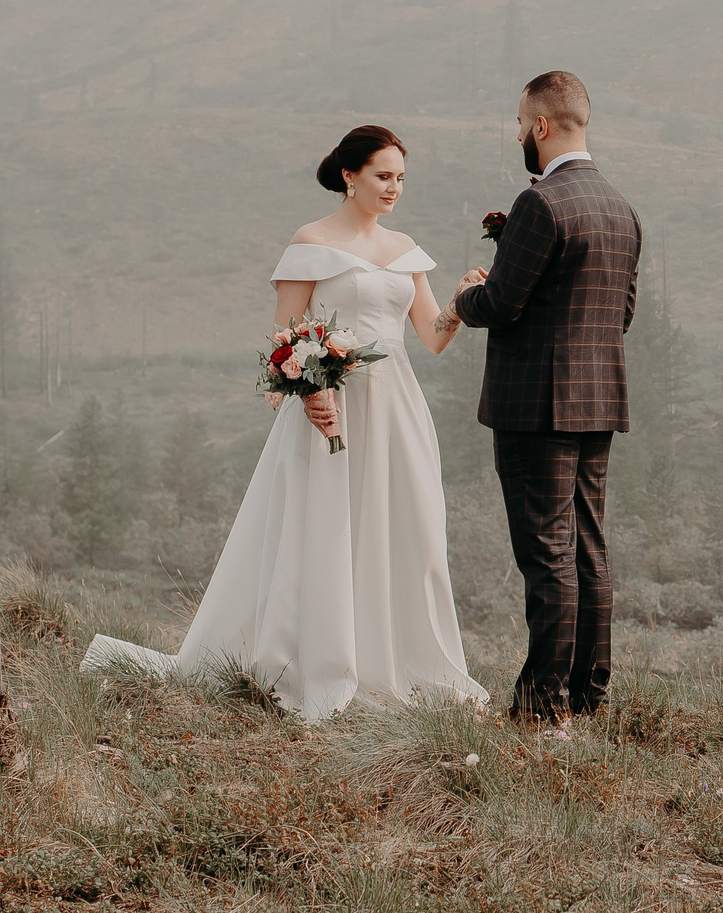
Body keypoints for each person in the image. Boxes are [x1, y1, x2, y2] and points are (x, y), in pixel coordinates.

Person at [79, 124, 489, 721]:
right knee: (323, 531)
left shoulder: (406, 248)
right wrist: (307, 394)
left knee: (407, 531)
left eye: (401, 177)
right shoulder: (312, 241)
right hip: (330, 408)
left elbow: (430, 338)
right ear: (349, 176)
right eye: (383, 176)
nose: (394, 187)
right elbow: (284, 338)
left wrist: (459, 301)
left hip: (397, 409)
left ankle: (399, 665)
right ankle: (317, 663)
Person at [449, 71, 642, 724]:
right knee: (588, 547)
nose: (518, 136)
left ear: (540, 125)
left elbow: (502, 304)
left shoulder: (541, 203)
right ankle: (588, 697)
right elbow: (621, 313)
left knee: (547, 554)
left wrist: (466, 294)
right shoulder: (621, 208)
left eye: (519, 124)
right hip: (597, 401)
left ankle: (541, 706)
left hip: (536, 408)